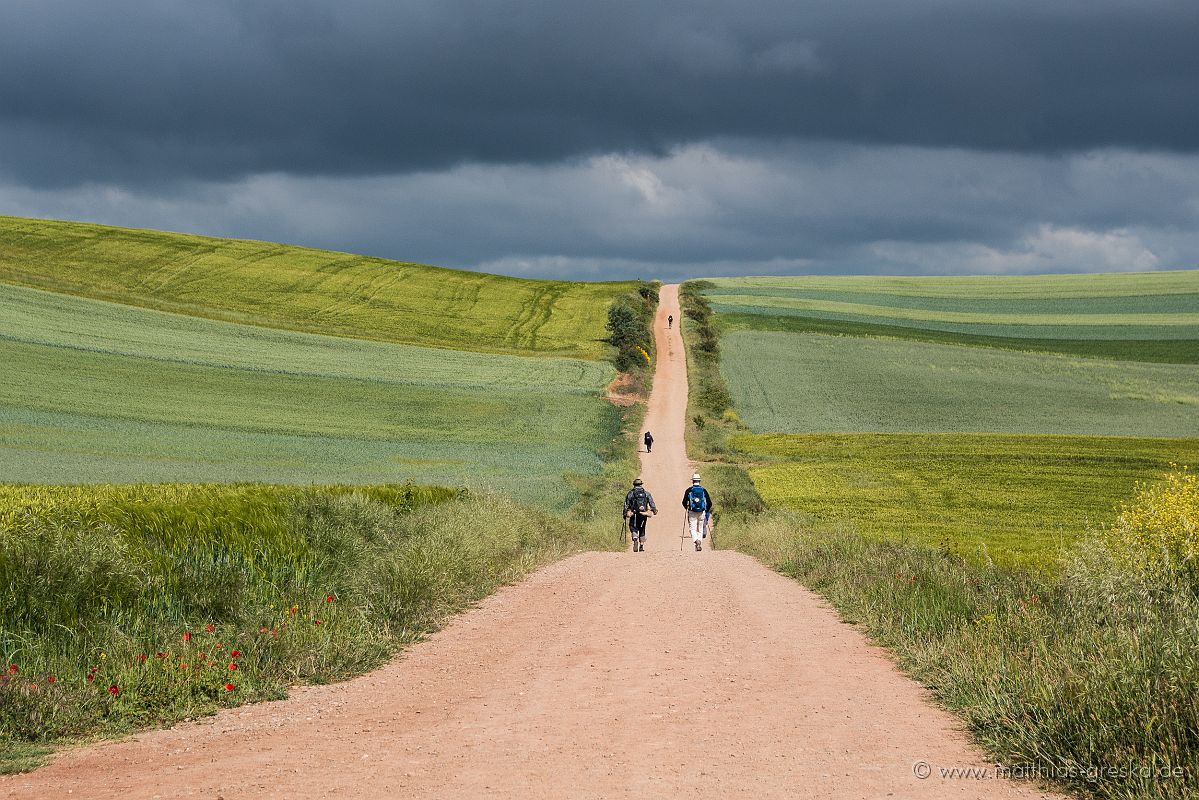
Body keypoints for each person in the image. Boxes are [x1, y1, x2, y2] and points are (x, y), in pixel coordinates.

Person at [681, 473, 713, 551]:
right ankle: (699, 542)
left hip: (692, 511)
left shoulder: (689, 490)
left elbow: (683, 502)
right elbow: (709, 502)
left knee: (693, 528)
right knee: (700, 528)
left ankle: (696, 541)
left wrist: (687, 508)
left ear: (693, 481)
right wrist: (706, 510)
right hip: (702, 512)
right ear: (699, 481)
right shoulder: (703, 490)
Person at [625, 478, 657, 552]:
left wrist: (625, 513)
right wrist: (654, 510)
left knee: (633, 527)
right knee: (642, 528)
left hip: (634, 513)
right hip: (643, 514)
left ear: (634, 485)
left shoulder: (630, 493)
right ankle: (641, 545)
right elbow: (651, 502)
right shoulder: (646, 493)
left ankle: (635, 538)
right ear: (641, 484)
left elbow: (626, 504)